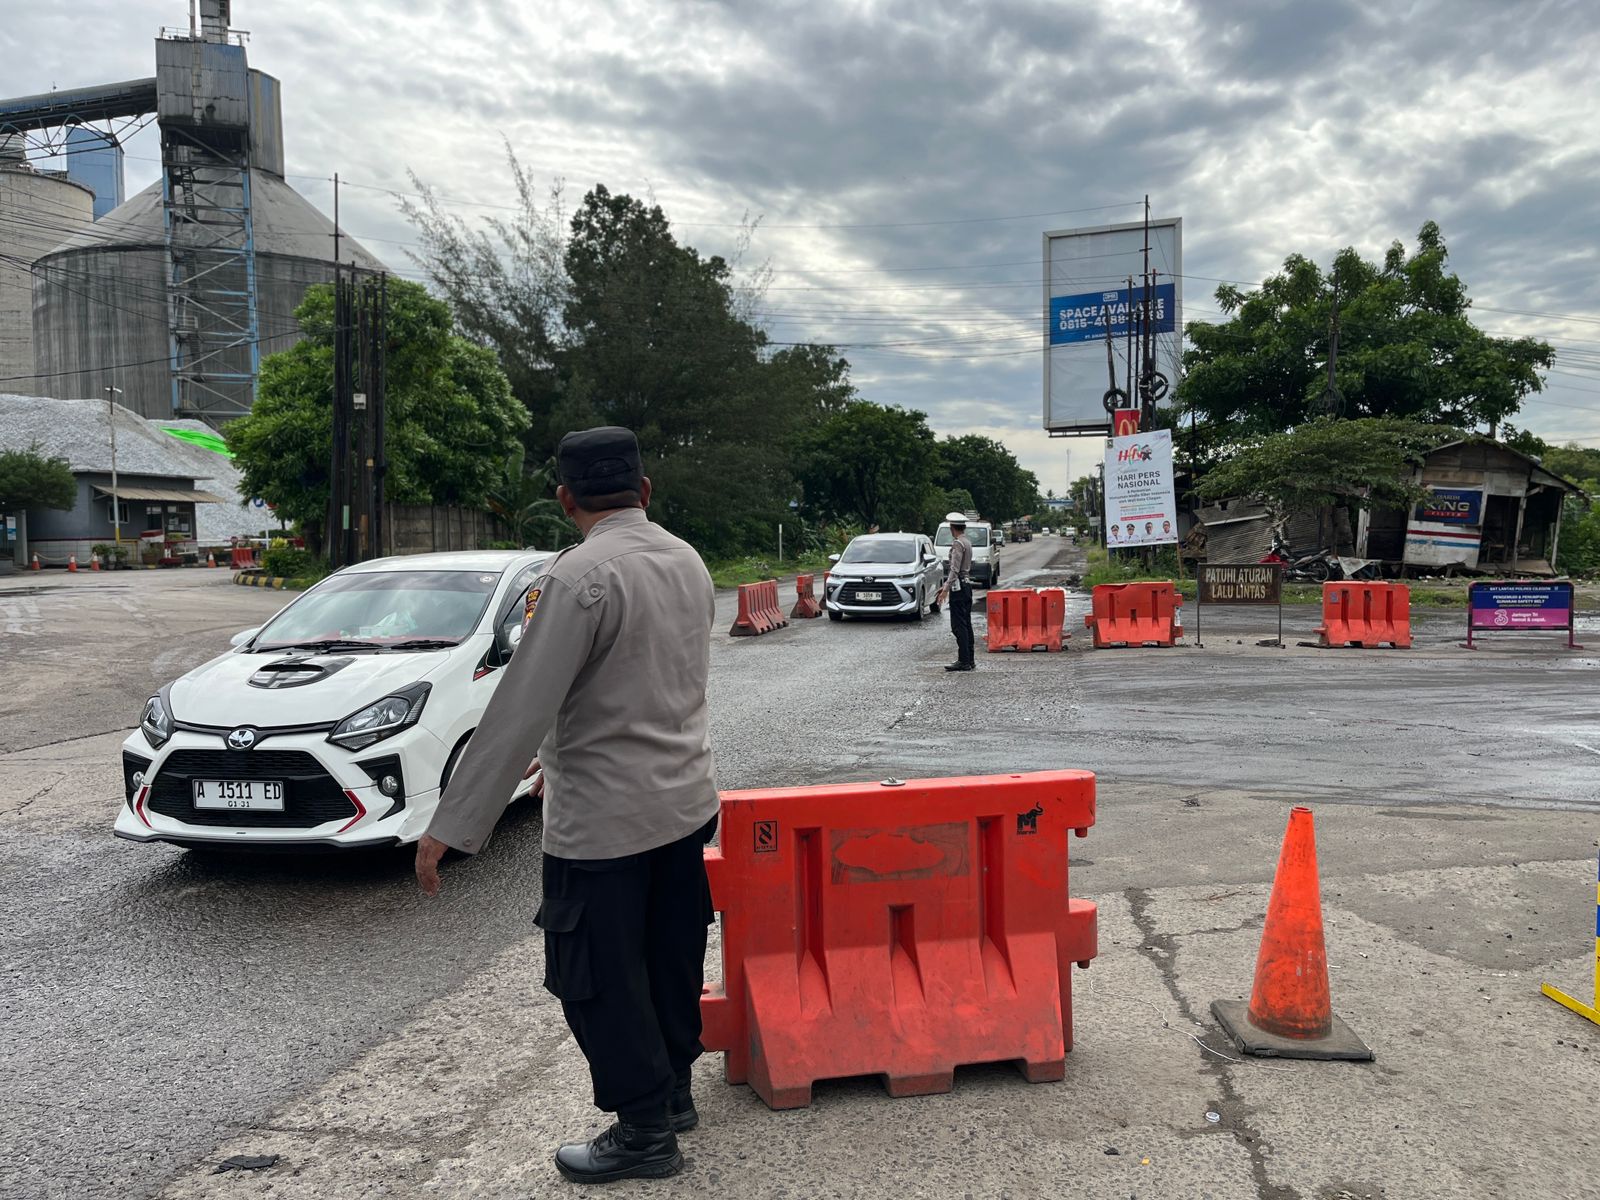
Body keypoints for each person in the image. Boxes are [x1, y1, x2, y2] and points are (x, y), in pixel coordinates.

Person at [414, 426, 719, 1186]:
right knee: (670, 954)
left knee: (598, 977)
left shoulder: (578, 576)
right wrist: (558, 757)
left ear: (564, 499)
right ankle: (673, 1094)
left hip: (604, 824)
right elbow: (644, 679)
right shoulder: (687, 559)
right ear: (644, 491)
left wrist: (453, 824)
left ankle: (644, 1133)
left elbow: (523, 704)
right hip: (684, 803)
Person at [937, 512, 975, 672]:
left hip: (958, 588)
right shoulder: (967, 542)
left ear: (952, 528)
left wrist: (945, 589)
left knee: (958, 625)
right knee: (966, 623)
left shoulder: (958, 544)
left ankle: (964, 660)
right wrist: (945, 586)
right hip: (966, 585)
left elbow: (954, 569)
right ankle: (969, 659)